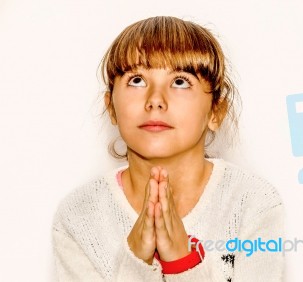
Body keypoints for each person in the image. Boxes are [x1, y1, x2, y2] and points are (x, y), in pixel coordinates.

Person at [52, 16, 284, 282]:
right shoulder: (78, 216)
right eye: (137, 80)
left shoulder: (253, 202)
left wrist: (181, 262)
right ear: (111, 107)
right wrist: (136, 262)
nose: (155, 100)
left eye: (180, 81)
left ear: (216, 111)